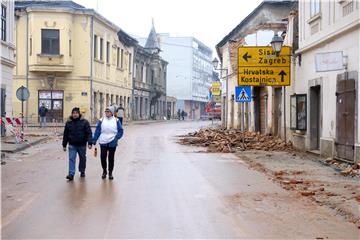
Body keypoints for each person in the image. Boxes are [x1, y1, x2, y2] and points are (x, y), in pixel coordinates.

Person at [93, 106, 123, 180]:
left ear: (112, 112)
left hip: (112, 141)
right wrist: (94, 139)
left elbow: (120, 130)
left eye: (108, 111)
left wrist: (116, 138)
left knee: (111, 158)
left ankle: (110, 173)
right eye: (106, 111)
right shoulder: (101, 120)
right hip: (103, 141)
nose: (107, 113)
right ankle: (104, 171)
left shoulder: (116, 120)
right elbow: (98, 131)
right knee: (103, 157)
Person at [62, 107, 93, 181]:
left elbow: (89, 133)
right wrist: (64, 145)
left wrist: (90, 142)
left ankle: (82, 171)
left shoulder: (85, 122)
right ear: (71, 114)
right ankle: (71, 174)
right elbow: (65, 134)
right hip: (72, 145)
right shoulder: (68, 122)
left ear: (79, 114)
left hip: (82, 144)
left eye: (76, 113)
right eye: (73, 113)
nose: (75, 114)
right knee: (71, 159)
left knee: (82, 158)